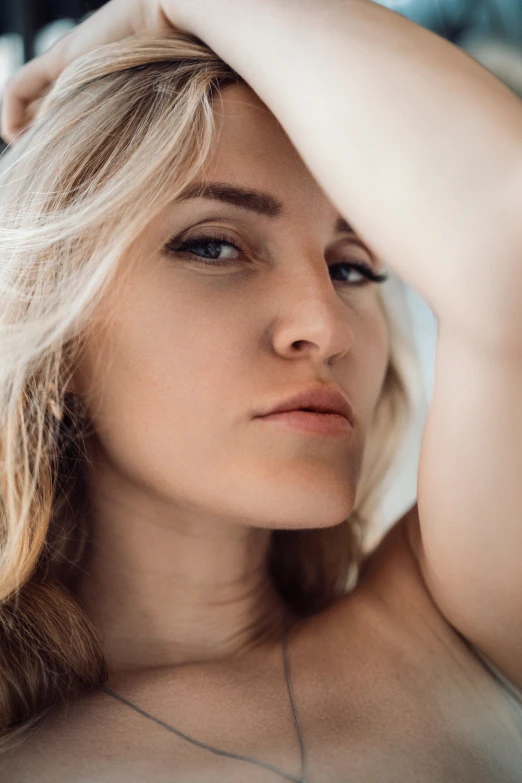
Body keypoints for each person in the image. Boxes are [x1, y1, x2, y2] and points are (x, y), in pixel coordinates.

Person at [1, 1, 521, 781]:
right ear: (56, 336)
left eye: (351, 266)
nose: (326, 325)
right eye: (215, 246)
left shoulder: (462, 636)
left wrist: (173, 2)